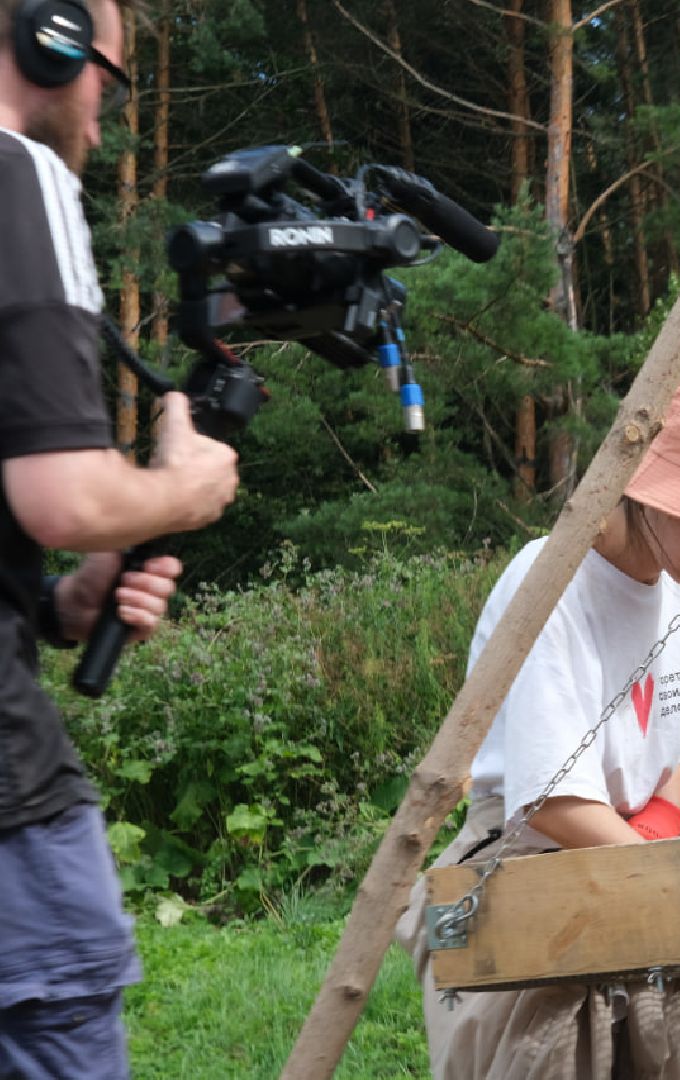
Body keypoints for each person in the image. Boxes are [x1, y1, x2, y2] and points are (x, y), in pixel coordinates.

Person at [397, 366, 680, 1080]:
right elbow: (549, 799)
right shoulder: (549, 583)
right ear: (649, 486)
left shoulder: (679, 577)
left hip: (632, 873)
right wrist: (677, 884)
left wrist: (663, 818)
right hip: (530, 887)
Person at [0, 0, 240, 1074]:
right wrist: (179, 489)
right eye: (110, 77)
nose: (105, 116)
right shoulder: (20, 175)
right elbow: (64, 499)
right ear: (45, 42)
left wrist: (65, 606)